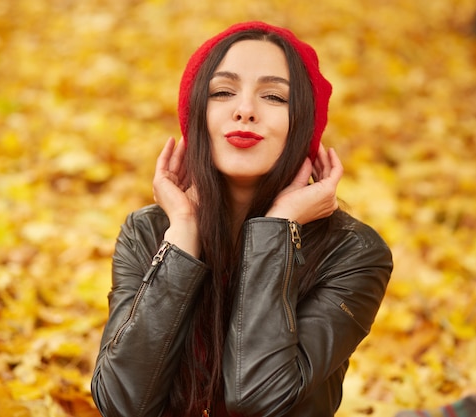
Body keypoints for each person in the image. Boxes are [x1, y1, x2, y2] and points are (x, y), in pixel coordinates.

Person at [91, 21, 393, 417]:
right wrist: (183, 230)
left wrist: (279, 228)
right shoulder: (147, 232)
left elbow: (257, 400)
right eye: (222, 92)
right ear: (196, 116)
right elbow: (121, 402)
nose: (245, 110)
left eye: (273, 96)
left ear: (303, 125)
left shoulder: (353, 252)